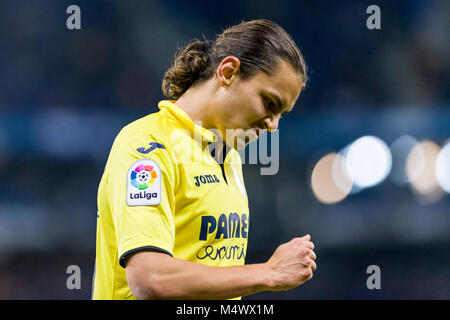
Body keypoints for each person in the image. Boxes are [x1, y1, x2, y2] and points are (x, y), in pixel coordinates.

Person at [92, 19, 316, 300]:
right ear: (228, 72)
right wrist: (268, 272)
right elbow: (149, 278)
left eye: (282, 113)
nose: (273, 126)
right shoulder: (147, 147)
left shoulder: (228, 158)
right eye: (269, 103)